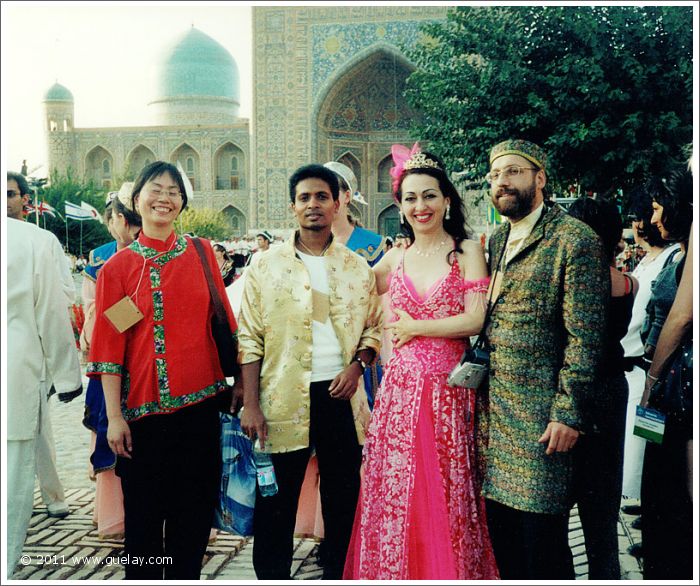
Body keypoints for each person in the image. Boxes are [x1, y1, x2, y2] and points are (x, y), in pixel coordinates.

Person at [344, 145, 498, 580]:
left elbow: (474, 317)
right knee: (399, 489)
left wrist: (417, 328)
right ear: (400, 205)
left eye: (429, 195)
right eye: (410, 198)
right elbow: (352, 292)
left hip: (449, 392)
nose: (420, 206)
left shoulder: (466, 250)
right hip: (400, 393)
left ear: (447, 199)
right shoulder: (394, 257)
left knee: (445, 490)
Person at [86, 161, 237, 579]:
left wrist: (243, 384)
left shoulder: (202, 253)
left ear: (182, 203)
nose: (164, 197)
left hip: (200, 412)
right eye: (156, 188)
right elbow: (108, 351)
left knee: (191, 524)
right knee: (144, 529)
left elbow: (226, 321)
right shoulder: (116, 270)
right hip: (142, 419)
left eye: (174, 190)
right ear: (136, 200)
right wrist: (114, 419)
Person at [238, 163, 381, 580]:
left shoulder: (357, 268)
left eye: (322, 196)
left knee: (342, 500)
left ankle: (336, 572)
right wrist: (251, 403)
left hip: (340, 398)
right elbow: (249, 336)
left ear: (338, 204)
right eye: (305, 198)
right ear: (293, 207)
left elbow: (372, 329)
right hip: (281, 399)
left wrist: (357, 367)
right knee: (276, 503)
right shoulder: (265, 266)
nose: (314, 205)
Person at [481, 139, 608, 580]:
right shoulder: (497, 239)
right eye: (496, 175)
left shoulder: (573, 239)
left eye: (514, 172)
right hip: (494, 418)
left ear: (540, 178)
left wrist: (568, 414)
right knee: (504, 538)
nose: (502, 183)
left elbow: (585, 336)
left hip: (542, 422)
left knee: (543, 541)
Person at [7, 212, 82, 577]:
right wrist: (68, 378)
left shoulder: (34, 238)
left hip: (17, 371)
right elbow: (51, 312)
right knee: (12, 473)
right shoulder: (32, 239)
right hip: (15, 372)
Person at [568, 197, 637, 579]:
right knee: (602, 510)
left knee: (561, 503)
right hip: (612, 389)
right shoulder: (627, 283)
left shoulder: (573, 281)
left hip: (574, 393)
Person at [639, 166, 693, 580]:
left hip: (677, 388)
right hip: (674, 388)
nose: (654, 219)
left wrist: (651, 381)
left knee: (672, 489)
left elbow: (679, 317)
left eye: (659, 208)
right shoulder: (683, 247)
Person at [81, 185, 142, 541]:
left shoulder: (160, 252)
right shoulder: (100, 259)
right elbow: (95, 316)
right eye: (128, 219)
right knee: (113, 435)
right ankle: (115, 516)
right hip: (113, 361)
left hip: (148, 362)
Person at [619, 180, 681, 520]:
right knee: (638, 436)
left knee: (647, 436)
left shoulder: (671, 259)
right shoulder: (649, 260)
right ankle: (639, 499)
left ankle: (643, 502)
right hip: (635, 367)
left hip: (650, 369)